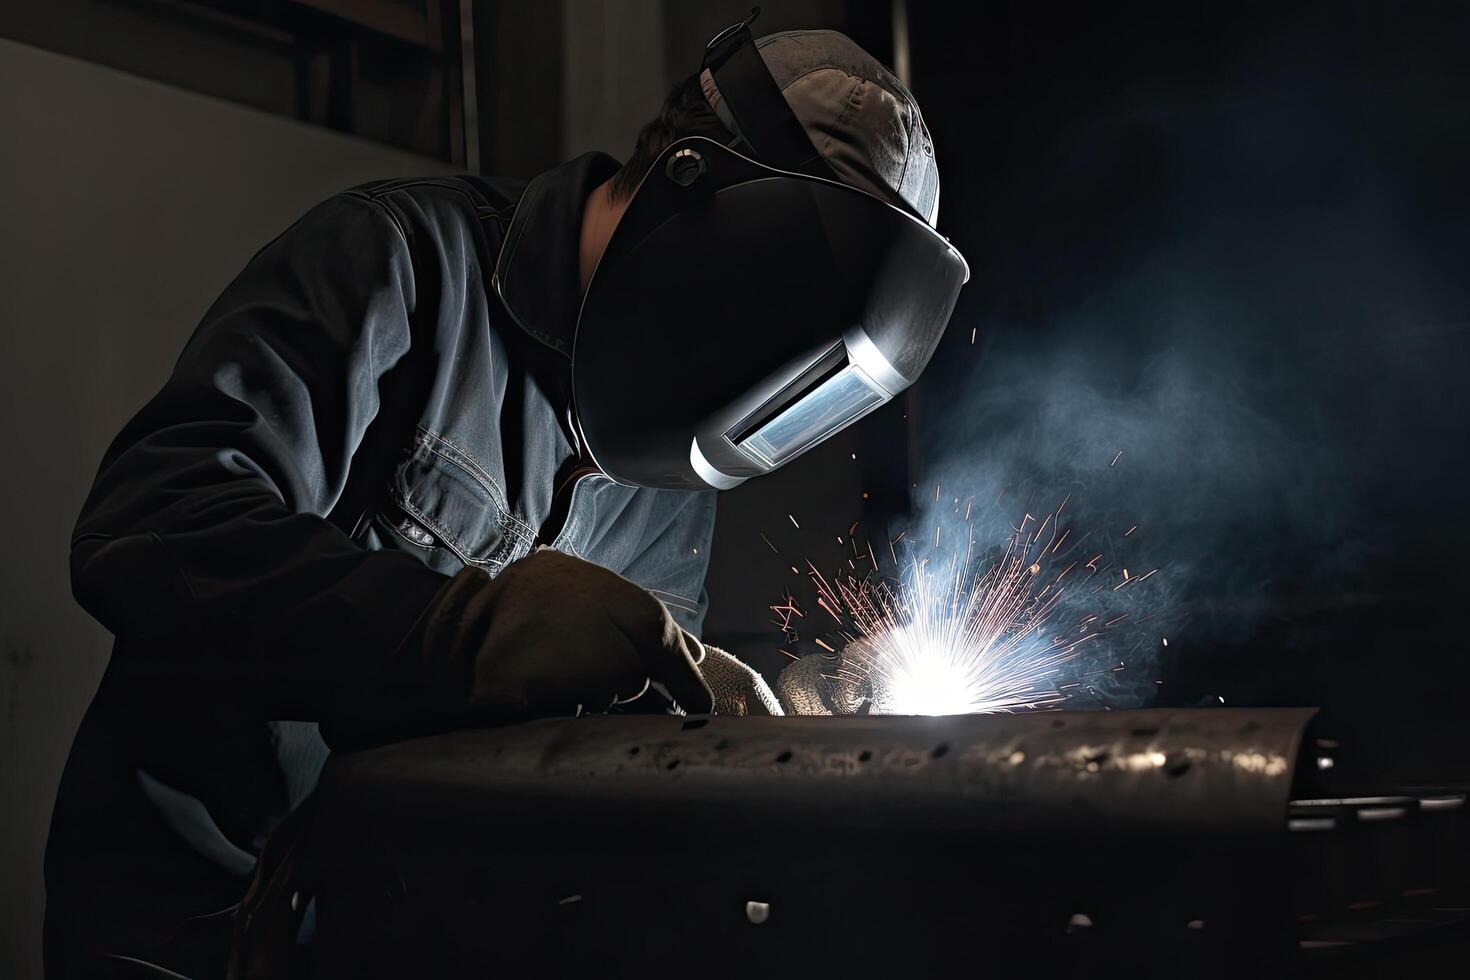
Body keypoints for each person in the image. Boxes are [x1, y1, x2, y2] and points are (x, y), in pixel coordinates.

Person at [45, 14, 966, 978]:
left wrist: (760, 725)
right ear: (693, 195)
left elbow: (599, 749)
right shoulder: (399, 264)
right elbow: (148, 528)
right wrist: (454, 630)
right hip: (191, 932)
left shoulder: (667, 474)